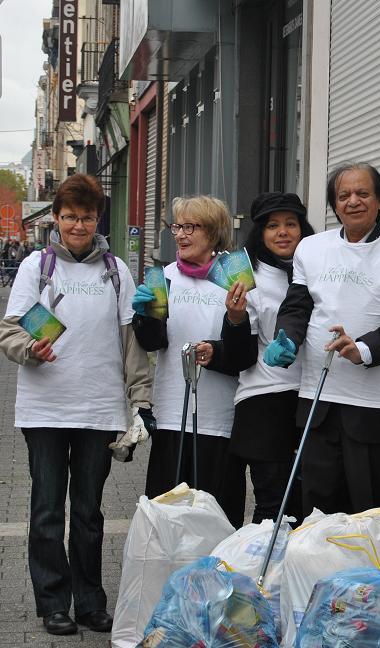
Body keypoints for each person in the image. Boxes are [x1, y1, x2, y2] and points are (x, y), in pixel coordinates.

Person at [0, 174, 152, 636]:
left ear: (97, 218)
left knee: (88, 513)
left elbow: (131, 345)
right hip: (45, 410)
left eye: (85, 217)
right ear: (56, 219)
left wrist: (138, 402)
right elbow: (9, 332)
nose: (78, 226)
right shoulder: (36, 267)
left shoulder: (116, 270)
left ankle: (89, 602)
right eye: (69, 217)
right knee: (47, 511)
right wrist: (31, 350)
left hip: (99, 409)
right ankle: (53, 603)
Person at [265, 161, 380, 527]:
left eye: (363, 193)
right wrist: (287, 339)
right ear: (334, 205)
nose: (353, 201)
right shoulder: (311, 248)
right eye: (343, 196)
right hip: (318, 401)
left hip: (376, 407)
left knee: (374, 518)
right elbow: (297, 307)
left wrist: (364, 350)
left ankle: (376, 586)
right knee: (318, 516)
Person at [195, 192, 315, 524]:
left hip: (312, 400)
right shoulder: (248, 277)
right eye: (273, 225)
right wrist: (234, 318)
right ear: (260, 232)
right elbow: (240, 357)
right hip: (265, 402)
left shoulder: (318, 270)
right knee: (273, 506)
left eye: (291, 224)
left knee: (311, 503)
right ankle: (263, 573)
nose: (283, 232)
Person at [131, 195, 247, 527]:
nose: (181, 235)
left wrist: (216, 351)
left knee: (217, 518)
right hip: (171, 416)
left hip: (219, 418)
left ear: (214, 232)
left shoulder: (235, 276)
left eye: (191, 227)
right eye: (177, 226)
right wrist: (145, 317)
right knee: (168, 519)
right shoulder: (164, 277)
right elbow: (153, 343)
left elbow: (244, 351)